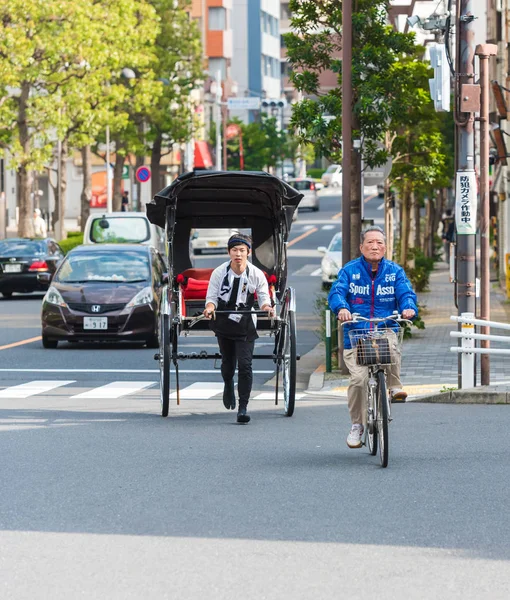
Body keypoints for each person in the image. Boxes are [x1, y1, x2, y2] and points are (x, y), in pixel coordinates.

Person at [328, 225, 418, 448]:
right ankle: (357, 425)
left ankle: (395, 387)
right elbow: (337, 292)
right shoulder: (349, 271)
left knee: (392, 344)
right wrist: (341, 308)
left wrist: (408, 307)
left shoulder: (395, 272)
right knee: (358, 380)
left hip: (384, 328)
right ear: (361, 247)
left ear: (385, 247)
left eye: (379, 242)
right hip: (356, 334)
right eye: (370, 242)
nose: (375, 246)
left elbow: (406, 293)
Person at [203, 233, 274, 424]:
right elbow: (211, 297)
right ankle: (227, 384)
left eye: (242, 250)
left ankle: (243, 407)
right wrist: (210, 308)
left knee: (245, 365)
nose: (238, 254)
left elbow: (264, 297)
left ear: (248, 253)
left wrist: (266, 307)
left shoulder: (256, 274)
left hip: (246, 322)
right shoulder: (219, 273)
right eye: (234, 250)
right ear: (229, 252)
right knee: (228, 364)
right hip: (224, 319)